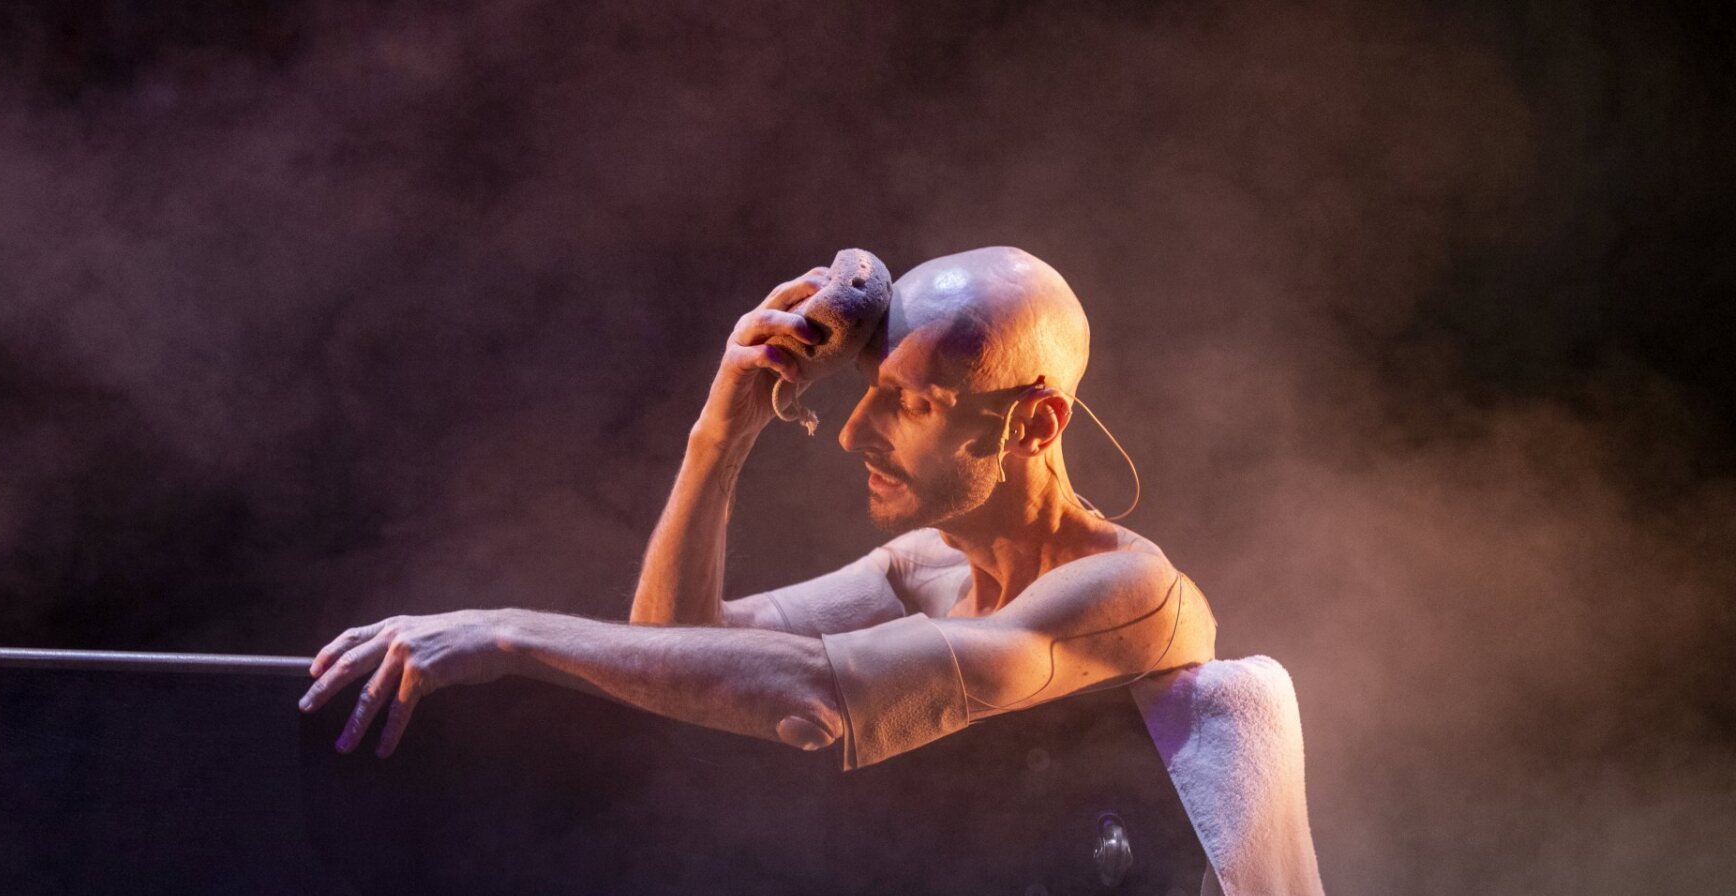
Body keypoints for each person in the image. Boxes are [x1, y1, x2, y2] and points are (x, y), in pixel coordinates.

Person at [299, 246, 1217, 767]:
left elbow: (813, 694)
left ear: (1035, 422)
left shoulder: (1130, 592)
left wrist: (504, 633)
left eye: (913, 401)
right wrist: (722, 430)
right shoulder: (928, 568)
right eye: (868, 389)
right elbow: (674, 645)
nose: (856, 432)